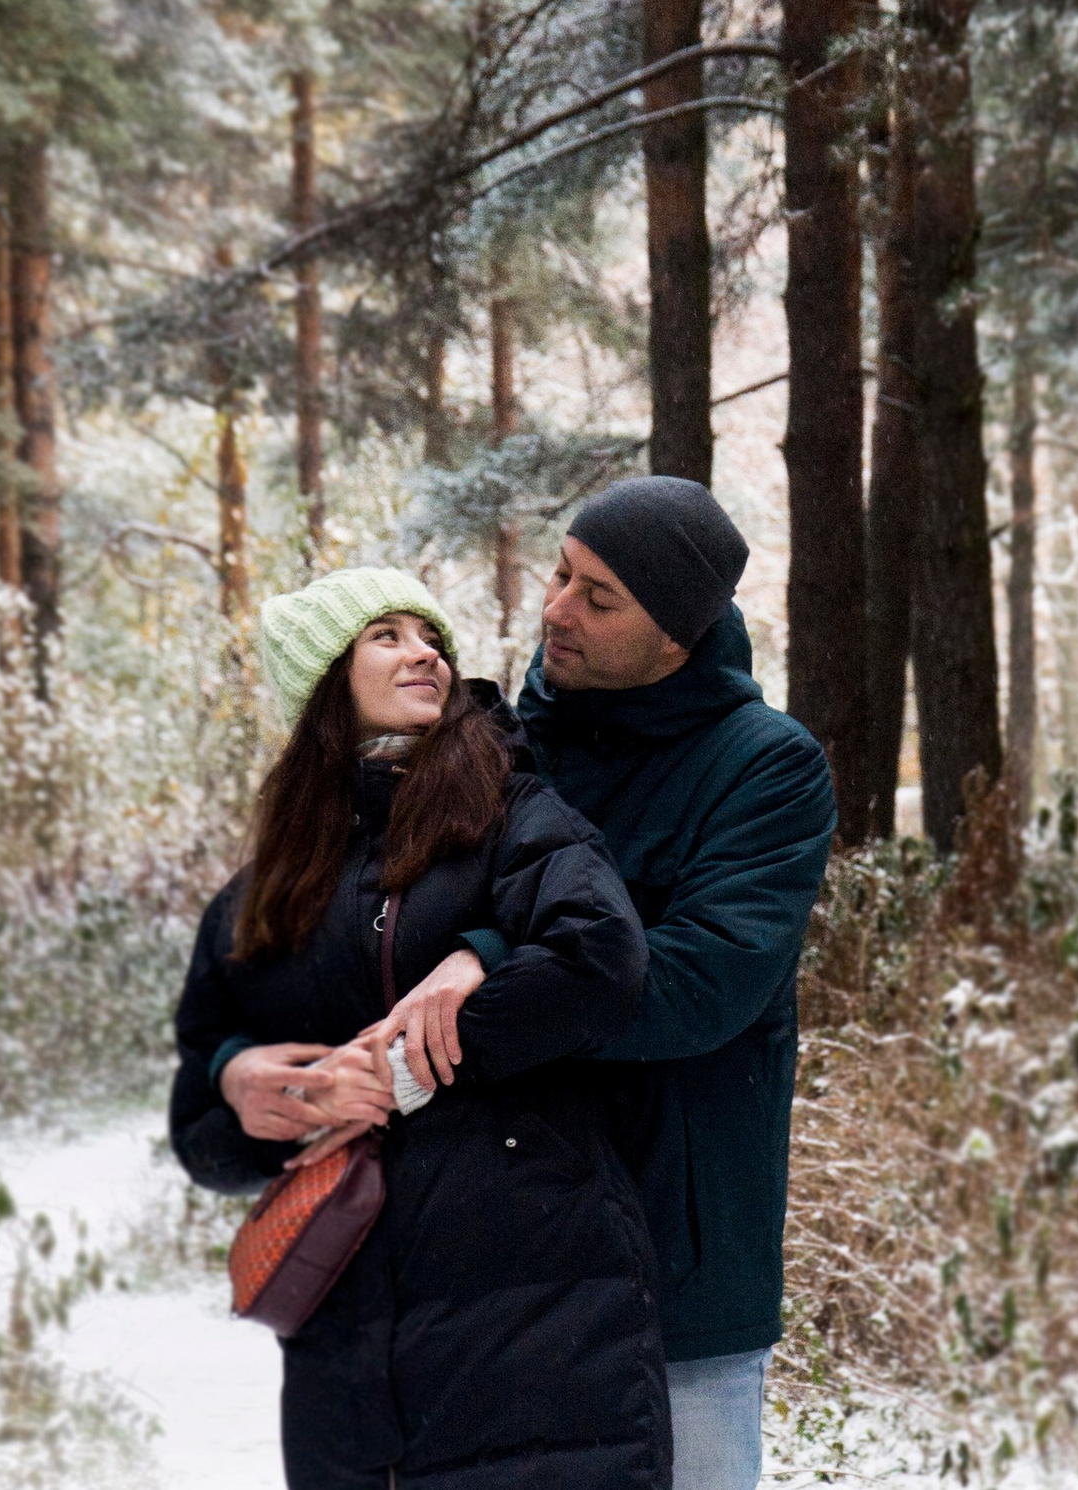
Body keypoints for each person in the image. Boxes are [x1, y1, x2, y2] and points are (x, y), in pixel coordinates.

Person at [170, 566, 670, 1490]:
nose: (424, 653)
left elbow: (600, 958)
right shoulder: (268, 883)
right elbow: (199, 1115)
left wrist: (402, 1069)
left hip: (536, 1305)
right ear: (325, 680)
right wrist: (246, 1089)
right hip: (347, 1356)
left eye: (430, 635)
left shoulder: (512, 809)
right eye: (387, 636)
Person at [508, 476, 837, 1490]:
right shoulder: (508, 749)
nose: (558, 607)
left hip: (678, 1273)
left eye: (600, 598)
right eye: (562, 573)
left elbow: (699, 985)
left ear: (677, 638)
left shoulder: (764, 768)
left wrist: (485, 994)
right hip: (507, 1253)